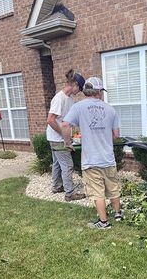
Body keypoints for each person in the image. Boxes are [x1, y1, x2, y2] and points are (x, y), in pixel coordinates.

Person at [61, 76, 123, 229]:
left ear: (87, 91)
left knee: (97, 192)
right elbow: (117, 135)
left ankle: (103, 223)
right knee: (113, 187)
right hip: (108, 158)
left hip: (91, 160)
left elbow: (65, 125)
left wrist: (68, 142)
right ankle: (118, 214)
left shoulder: (78, 107)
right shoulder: (110, 109)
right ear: (99, 91)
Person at [46, 69, 86, 201]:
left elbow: (68, 118)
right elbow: (50, 120)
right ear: (74, 84)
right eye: (79, 88)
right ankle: (69, 193)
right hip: (57, 139)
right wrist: (64, 135)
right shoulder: (59, 98)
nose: (79, 91)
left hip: (58, 137)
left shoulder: (70, 98)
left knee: (57, 163)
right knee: (67, 165)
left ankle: (57, 186)